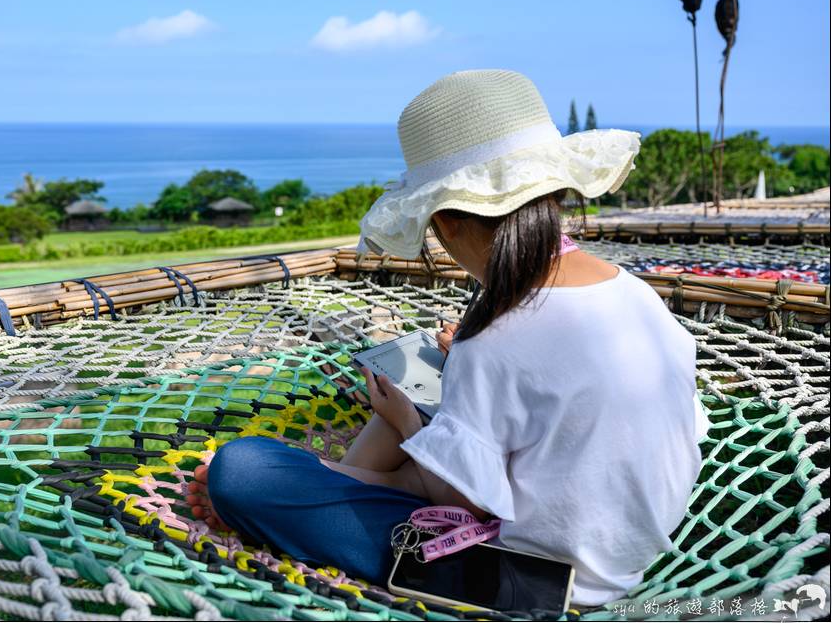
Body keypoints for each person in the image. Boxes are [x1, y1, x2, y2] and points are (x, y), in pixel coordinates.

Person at [186, 70, 709, 606]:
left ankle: (342, 475)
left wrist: (407, 422)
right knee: (431, 418)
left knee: (243, 471)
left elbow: (465, 503)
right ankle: (354, 471)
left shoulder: (496, 340)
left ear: (447, 221)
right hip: (632, 552)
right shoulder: (637, 295)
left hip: (524, 580)